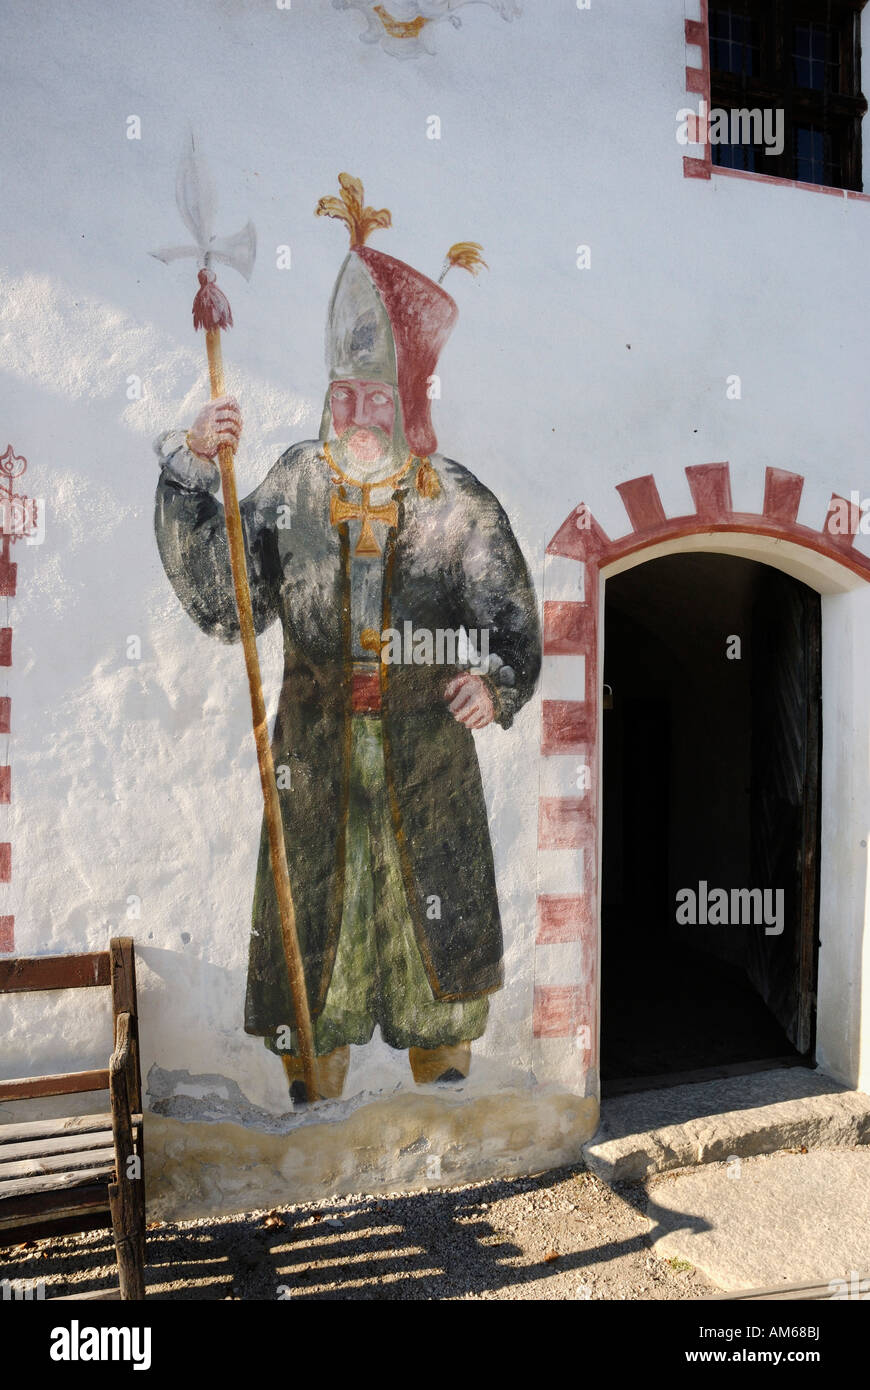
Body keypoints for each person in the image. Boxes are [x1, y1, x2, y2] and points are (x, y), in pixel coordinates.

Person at [153, 177, 541, 1101]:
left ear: (402, 401)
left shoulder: (452, 500)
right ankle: (310, 1106)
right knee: (313, 934)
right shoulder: (290, 483)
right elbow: (226, 600)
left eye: (375, 397)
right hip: (315, 758)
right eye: (344, 394)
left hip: (426, 756)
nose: (356, 415)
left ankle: (444, 1101)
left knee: (426, 936)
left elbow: (511, 615)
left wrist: (497, 681)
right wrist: (191, 464)